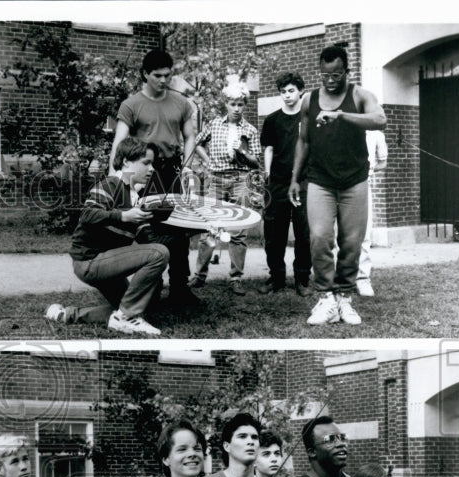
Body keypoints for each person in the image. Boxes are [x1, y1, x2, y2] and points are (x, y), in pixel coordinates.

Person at [289, 44, 387, 326]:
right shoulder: (309, 100)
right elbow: (304, 141)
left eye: (336, 75)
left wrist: (341, 115)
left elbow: (380, 119)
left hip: (354, 180)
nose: (330, 80)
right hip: (320, 180)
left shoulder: (359, 95)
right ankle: (326, 298)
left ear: (346, 71)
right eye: (325, 75)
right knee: (319, 237)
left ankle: (344, 297)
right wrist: (295, 178)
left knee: (351, 242)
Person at [45, 138, 167, 335]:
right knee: (158, 256)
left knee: (138, 306)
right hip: (89, 261)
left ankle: (66, 315)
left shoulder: (135, 196)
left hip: (105, 263)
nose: (152, 169)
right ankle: (125, 318)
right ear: (126, 162)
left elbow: (149, 241)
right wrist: (123, 216)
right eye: (146, 163)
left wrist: (187, 230)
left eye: (152, 163)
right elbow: (87, 214)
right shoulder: (111, 184)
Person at [110, 49, 200, 307]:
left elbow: (190, 136)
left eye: (168, 76)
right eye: (158, 76)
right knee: (150, 231)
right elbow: (119, 143)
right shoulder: (131, 105)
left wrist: (187, 166)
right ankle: (151, 286)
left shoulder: (181, 103)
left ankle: (180, 288)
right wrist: (117, 179)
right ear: (145, 74)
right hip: (143, 172)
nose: (164, 80)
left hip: (172, 170)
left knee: (180, 229)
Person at [190, 82, 262, 296]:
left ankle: (236, 277)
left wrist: (244, 154)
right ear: (226, 104)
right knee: (210, 227)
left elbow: (256, 161)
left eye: (240, 104)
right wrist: (208, 160)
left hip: (241, 179)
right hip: (217, 178)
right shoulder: (214, 124)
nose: (236, 108)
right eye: (232, 104)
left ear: (245, 105)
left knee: (238, 230)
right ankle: (199, 275)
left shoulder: (249, 130)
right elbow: (197, 142)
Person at [260, 72, 312, 296]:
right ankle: (276, 278)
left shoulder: (309, 119)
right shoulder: (272, 120)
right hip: (278, 183)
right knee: (274, 234)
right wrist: (268, 175)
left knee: (304, 233)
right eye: (283, 92)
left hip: (304, 182)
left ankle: (302, 279)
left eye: (291, 91)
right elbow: (269, 149)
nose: (287, 95)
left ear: (300, 91)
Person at [357, 130, 389, 297]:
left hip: (363, 184)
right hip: (340, 183)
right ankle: (341, 278)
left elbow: (383, 163)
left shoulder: (376, 134)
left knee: (364, 233)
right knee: (338, 234)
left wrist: (367, 169)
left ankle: (362, 278)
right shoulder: (344, 127)